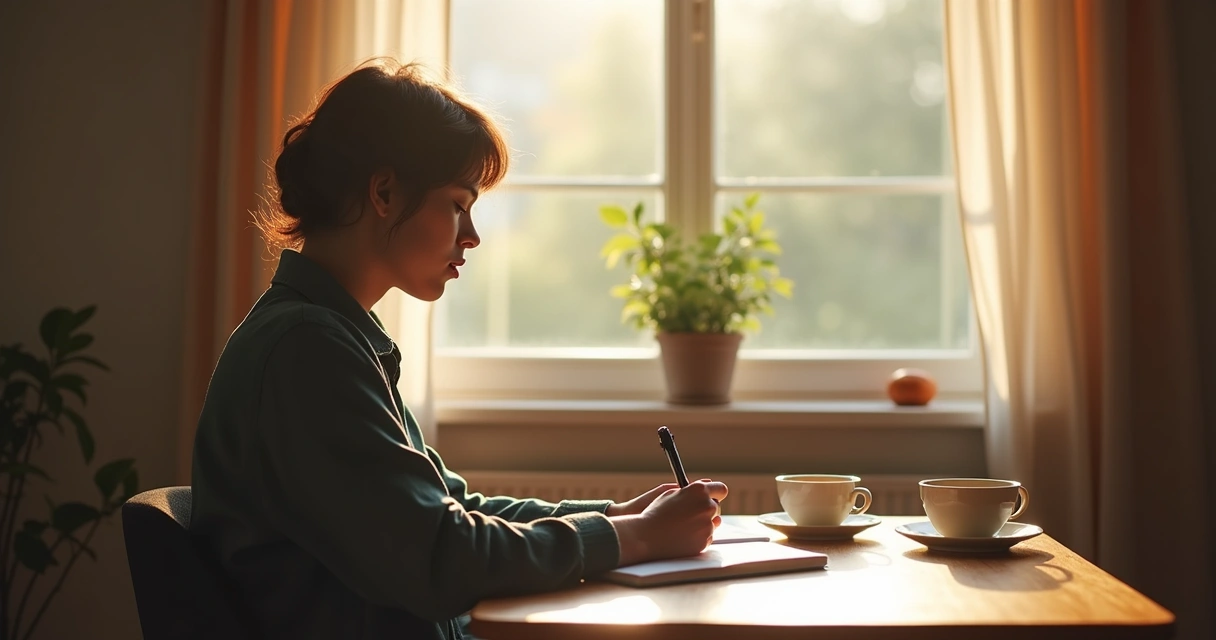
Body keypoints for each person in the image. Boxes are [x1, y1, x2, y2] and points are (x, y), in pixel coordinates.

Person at [189, 59, 728, 640]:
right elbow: (442, 557)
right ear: (385, 193)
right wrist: (638, 539)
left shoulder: (327, 337)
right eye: (457, 203)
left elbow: (452, 510)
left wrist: (615, 519)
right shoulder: (306, 351)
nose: (471, 235)